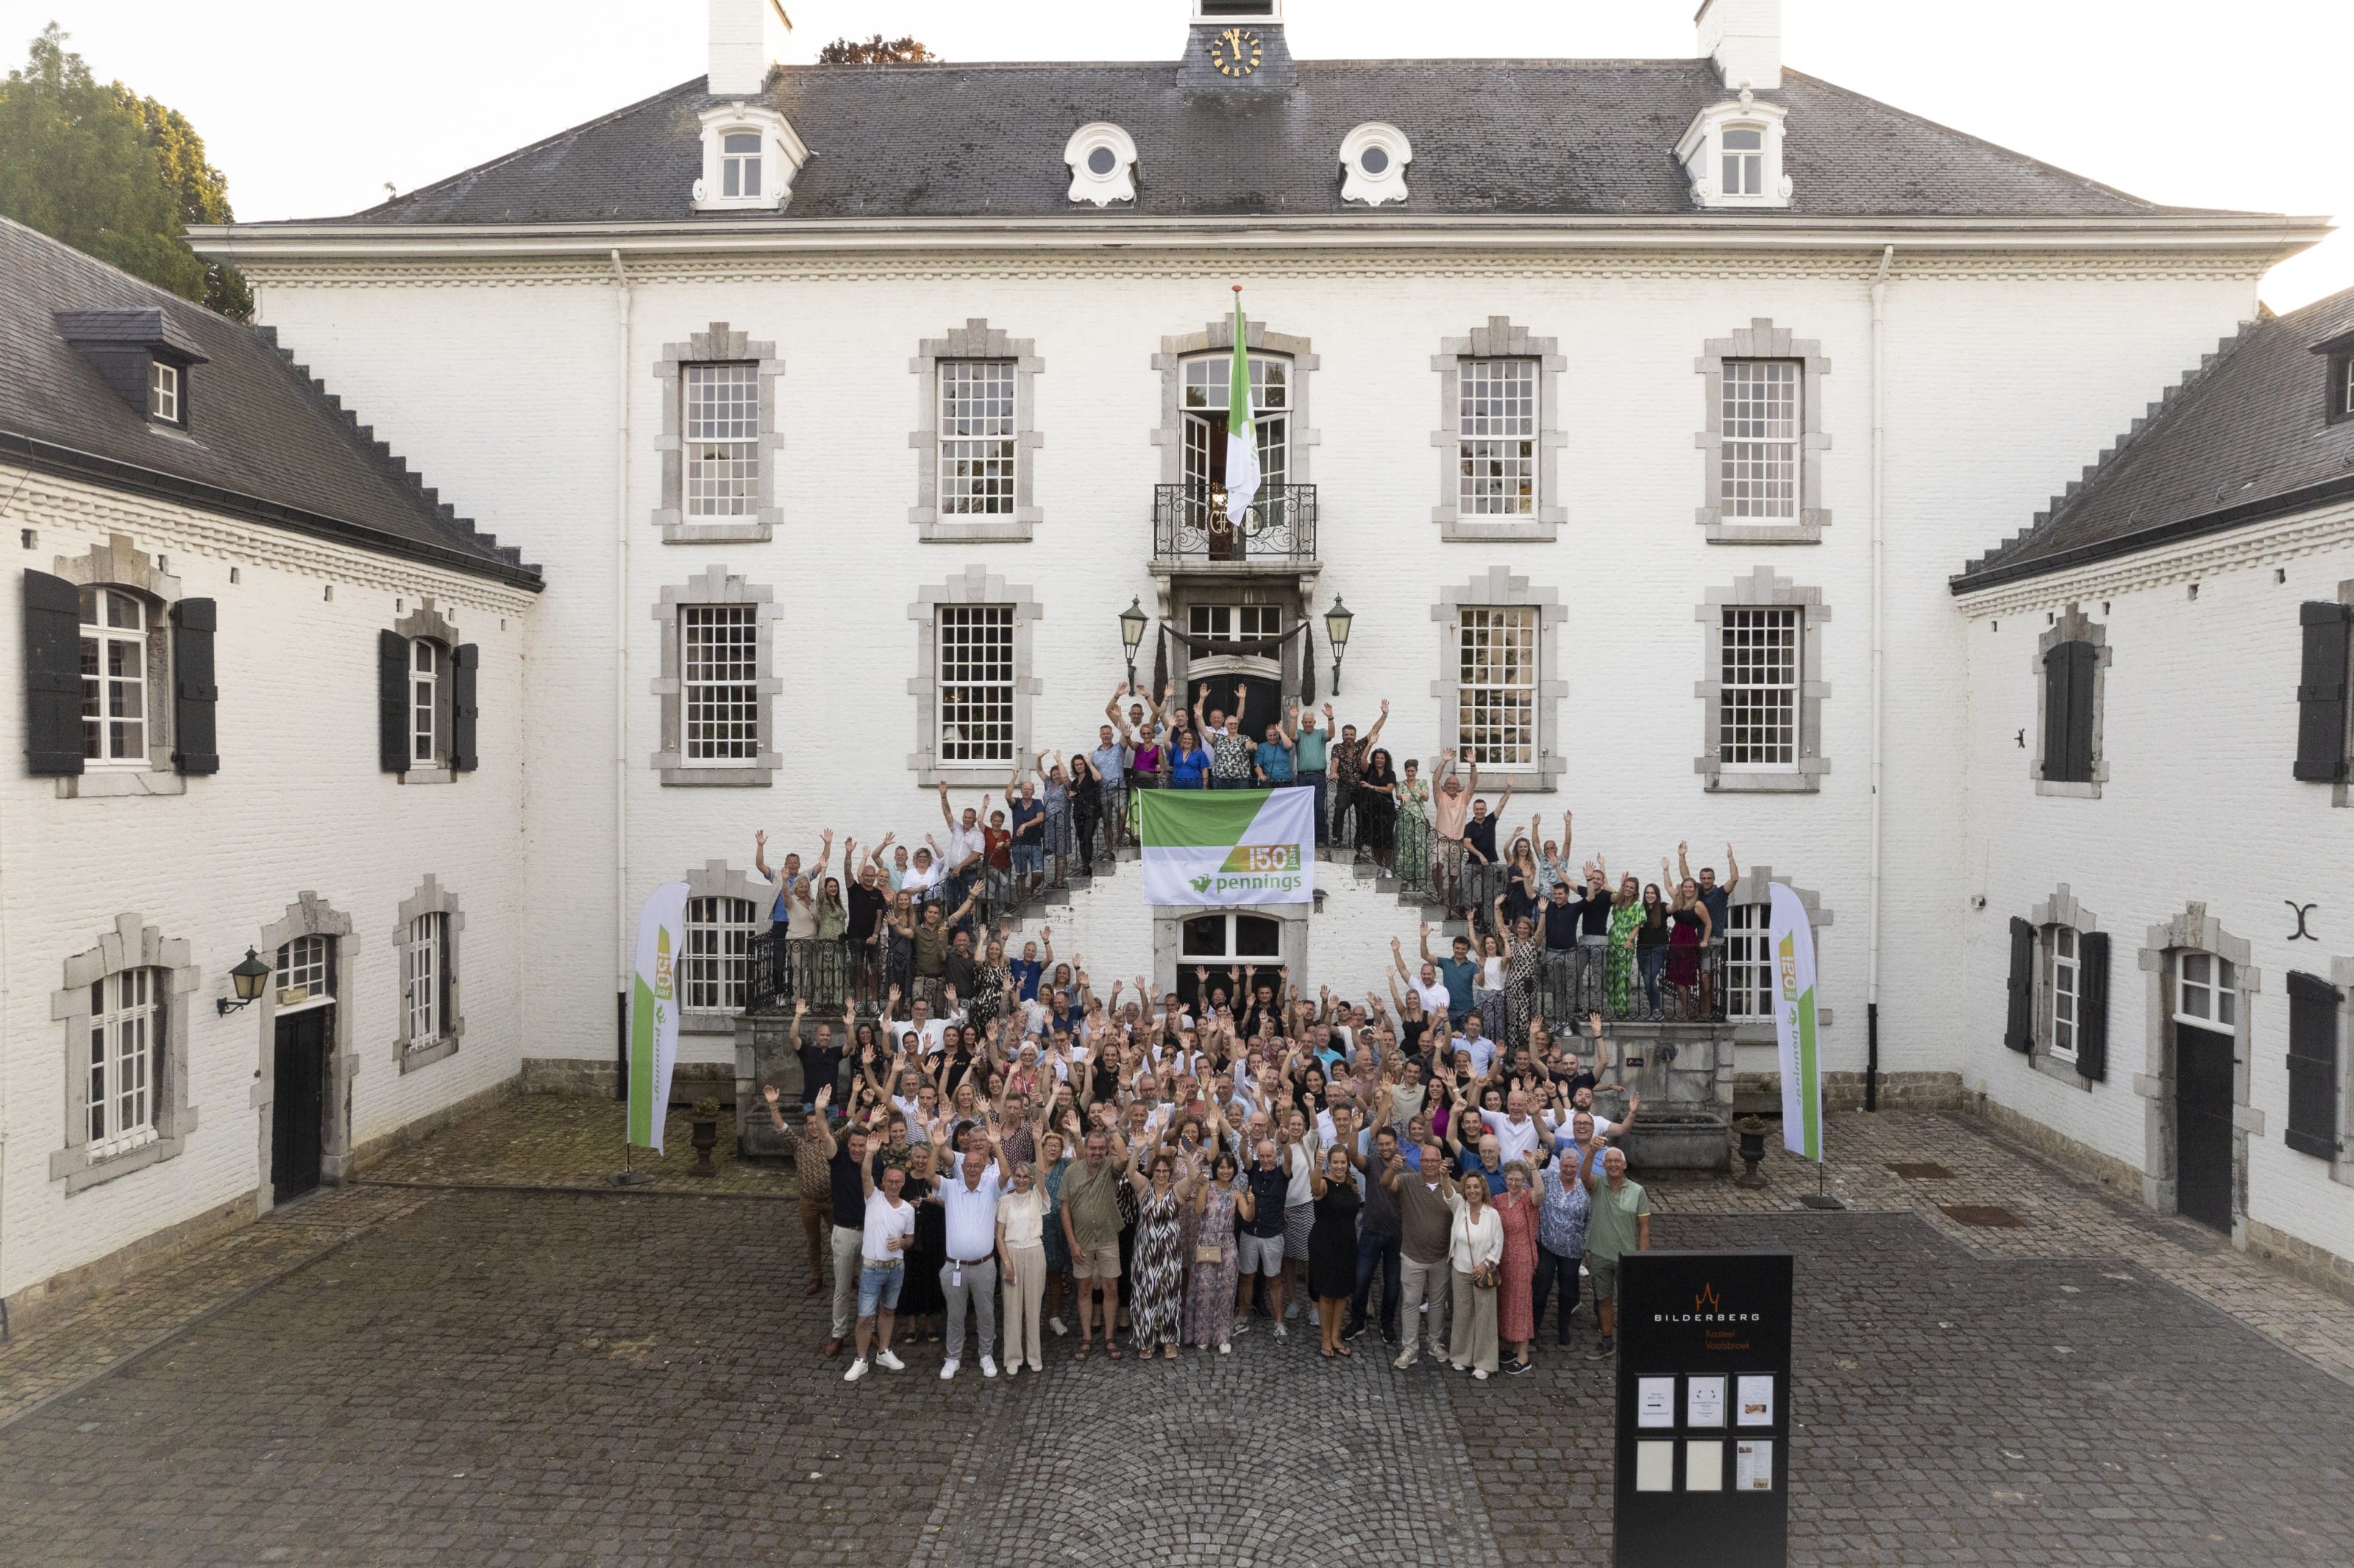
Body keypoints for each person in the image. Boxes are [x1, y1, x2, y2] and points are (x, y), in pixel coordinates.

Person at [929, 1115, 1006, 1380]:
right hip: (954, 1266)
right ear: (961, 1168)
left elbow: (1006, 1175)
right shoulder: (950, 1188)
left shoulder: (991, 1189)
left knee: (986, 1314)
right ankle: (953, 1357)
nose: (972, 1169)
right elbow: (929, 1175)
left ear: (983, 1168)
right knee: (955, 1315)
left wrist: (996, 1145)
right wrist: (937, 1146)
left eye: (977, 1165)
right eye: (968, 1166)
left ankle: (986, 1355)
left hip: (984, 1265)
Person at [844, 1138, 914, 1383]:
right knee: (865, 1316)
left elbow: (910, 1239)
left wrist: (902, 1243)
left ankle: (884, 1351)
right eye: (890, 1181)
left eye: (898, 1182)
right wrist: (870, 1153)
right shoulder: (873, 1198)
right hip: (872, 1268)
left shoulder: (908, 1209)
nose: (894, 1185)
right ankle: (861, 1359)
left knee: (888, 1311)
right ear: (883, 1181)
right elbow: (865, 1174)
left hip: (896, 1268)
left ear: (903, 1183)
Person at [1059, 1122, 1130, 1361]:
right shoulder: (1072, 1172)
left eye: (1101, 1148)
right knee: (1084, 1289)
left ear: (1106, 1149)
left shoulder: (1111, 1167)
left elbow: (1124, 1157)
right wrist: (1072, 1242)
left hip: (1108, 1238)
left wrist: (1112, 1128)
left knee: (1111, 1288)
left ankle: (1109, 1337)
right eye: (1093, 1148)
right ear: (1086, 1148)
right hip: (1082, 1240)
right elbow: (1064, 1208)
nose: (1097, 1152)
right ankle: (1087, 1337)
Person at [1581, 1136, 1652, 1359]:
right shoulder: (1597, 1186)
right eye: (1609, 1161)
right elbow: (1584, 1176)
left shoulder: (1638, 1191)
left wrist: (1641, 1257)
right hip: (1600, 1253)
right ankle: (1607, 1341)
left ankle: (1633, 1341)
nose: (1612, 1164)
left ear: (1624, 1165)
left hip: (1627, 1256)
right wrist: (1591, 1152)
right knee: (1603, 1299)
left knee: (1630, 1301)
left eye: (1616, 1161)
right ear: (1603, 1165)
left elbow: (1644, 1227)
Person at [1390, 1139, 1456, 1369]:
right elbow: (1386, 1183)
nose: (1429, 1164)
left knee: (1437, 1303)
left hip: (1441, 1256)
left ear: (1441, 1162)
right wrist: (1392, 1169)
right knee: (1410, 1303)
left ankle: (1435, 1343)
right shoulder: (1408, 1181)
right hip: (1412, 1255)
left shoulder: (1451, 1185)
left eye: (1433, 1161)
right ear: (1419, 1162)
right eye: (1425, 1160)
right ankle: (1410, 1348)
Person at [1124, 1142, 1192, 1359]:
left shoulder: (1177, 1190)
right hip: (1146, 1254)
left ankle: (1169, 1339)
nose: (1161, 1174)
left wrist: (1186, 1155)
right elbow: (1130, 1172)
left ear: (1171, 1172)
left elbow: (1193, 1177)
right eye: (1158, 1171)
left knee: (1169, 1294)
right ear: (1153, 1172)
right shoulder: (1145, 1187)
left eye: (1165, 1171)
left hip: (1170, 1253)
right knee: (1146, 1295)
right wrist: (1137, 1149)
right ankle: (1146, 1339)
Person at [1532, 1117, 1592, 1351]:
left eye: (1572, 1167)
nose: (1568, 1170)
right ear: (1560, 1165)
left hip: (1572, 1249)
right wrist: (1534, 1165)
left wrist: (1586, 1247)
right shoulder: (1547, 1178)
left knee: (1568, 1292)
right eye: (1565, 1166)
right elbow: (1528, 1185)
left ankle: (1563, 1328)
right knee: (1541, 1290)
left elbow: (1589, 1219)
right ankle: (1534, 1327)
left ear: (1577, 1167)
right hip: (1547, 1245)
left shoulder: (1584, 1189)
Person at [1345, 1125, 1405, 1344]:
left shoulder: (1407, 1169)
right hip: (1371, 1229)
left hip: (1397, 1235)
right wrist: (1354, 1129)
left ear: (1396, 1144)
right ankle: (1357, 1321)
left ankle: (1387, 1324)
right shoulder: (1371, 1163)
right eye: (1381, 1144)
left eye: (1388, 1144)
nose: (1385, 1148)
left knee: (1392, 1283)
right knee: (1361, 1279)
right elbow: (1353, 1155)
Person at [1445, 1170, 1504, 1380]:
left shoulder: (1492, 1214)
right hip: (1460, 1269)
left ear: (1483, 1189)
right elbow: (1449, 1194)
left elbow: (1498, 1243)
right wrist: (1444, 1177)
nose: (1472, 1191)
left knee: (1485, 1316)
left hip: (1483, 1272)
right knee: (1462, 1315)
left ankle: (1484, 1362)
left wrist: (1486, 1264)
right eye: (1468, 1187)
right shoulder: (1460, 1207)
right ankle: (1461, 1356)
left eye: (1476, 1187)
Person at [822, 1114, 872, 1358]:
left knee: (869, 1287)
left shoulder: (876, 1163)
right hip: (844, 1232)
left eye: (861, 1146)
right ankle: (838, 1333)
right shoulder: (838, 1159)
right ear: (848, 1145)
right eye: (853, 1145)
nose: (857, 1149)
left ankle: (869, 1329)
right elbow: (825, 1135)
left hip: (869, 1233)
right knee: (842, 1287)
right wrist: (819, 1111)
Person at [1306, 1145, 1362, 1358]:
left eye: (1343, 1162)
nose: (1339, 1166)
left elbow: (1353, 1216)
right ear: (1330, 1163)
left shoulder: (1351, 1183)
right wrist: (1318, 1165)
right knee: (1328, 1292)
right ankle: (1325, 1338)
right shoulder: (1323, 1183)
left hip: (1347, 1244)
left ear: (1347, 1164)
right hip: (1325, 1244)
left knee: (1342, 1294)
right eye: (1336, 1162)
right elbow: (1315, 1187)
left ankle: (1336, 1336)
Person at [1233, 1136, 1290, 1339]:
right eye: (1262, 1156)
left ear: (1275, 1156)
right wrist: (1244, 1138)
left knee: (1274, 1280)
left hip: (1272, 1235)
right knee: (1246, 1277)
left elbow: (1289, 1159)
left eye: (1269, 1156)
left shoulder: (1283, 1173)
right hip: (1250, 1233)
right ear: (1258, 1156)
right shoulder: (1253, 1168)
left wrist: (1285, 1142)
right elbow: (1243, 1155)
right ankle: (1242, 1318)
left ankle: (1279, 1323)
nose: (1266, 1160)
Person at [998, 1158, 1049, 1375]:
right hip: (1012, 1253)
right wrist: (1007, 1263)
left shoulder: (1037, 1196)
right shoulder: (1005, 1201)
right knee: (1012, 1308)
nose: (1021, 1180)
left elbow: (1042, 1172)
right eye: (1017, 1176)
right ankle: (1013, 1357)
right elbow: (999, 1236)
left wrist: (1037, 1142)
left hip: (1035, 1251)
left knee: (1034, 1307)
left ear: (1031, 1179)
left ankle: (1034, 1356)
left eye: (1025, 1177)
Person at [1187, 1147, 1241, 1353]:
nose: (1225, 1171)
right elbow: (1198, 1209)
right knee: (1205, 1289)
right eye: (1221, 1167)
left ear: (1234, 1170)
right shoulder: (1206, 1186)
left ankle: (1223, 1336)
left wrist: (1253, 1202)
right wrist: (1202, 1189)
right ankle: (1202, 1334)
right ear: (1215, 1169)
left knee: (1226, 1291)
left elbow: (1248, 1215)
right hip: (1207, 1241)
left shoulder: (1236, 1192)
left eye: (1229, 1167)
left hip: (1227, 1244)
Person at [1495, 1159, 1540, 1375]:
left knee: (1521, 1304)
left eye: (1518, 1180)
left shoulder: (1529, 1198)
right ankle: (1511, 1345)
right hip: (1503, 1257)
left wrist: (1533, 1167)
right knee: (1505, 1303)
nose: (1514, 1183)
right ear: (1505, 1179)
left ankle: (1523, 1355)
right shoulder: (1499, 1200)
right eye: (1510, 1179)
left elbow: (1541, 1193)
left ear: (1524, 1181)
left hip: (1523, 1258)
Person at [1665, 873, 1715, 1021]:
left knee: (1683, 980)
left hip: (1688, 943)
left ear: (1695, 889)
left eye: (1690, 887)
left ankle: (1687, 1011)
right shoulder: (1679, 900)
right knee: (1677, 979)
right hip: (1676, 942)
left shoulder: (1698, 905)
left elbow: (1708, 924)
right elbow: (1668, 886)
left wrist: (1705, 940)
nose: (1687, 889)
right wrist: (1666, 870)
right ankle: (1687, 1010)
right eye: (1685, 887)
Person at [1293, 702, 1331, 847]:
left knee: (1319, 807)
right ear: (1302, 723)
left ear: (1314, 722)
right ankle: (1304, 838)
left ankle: (1320, 839)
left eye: (1310, 722)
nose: (1308, 724)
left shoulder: (1321, 733)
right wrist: (1293, 718)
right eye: (1306, 722)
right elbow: (1291, 736)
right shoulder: (1299, 733)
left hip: (1319, 777)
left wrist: (1330, 718)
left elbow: (1331, 734)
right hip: (1303, 777)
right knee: (1303, 809)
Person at [1635, 881, 1671, 1019]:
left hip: (1658, 949)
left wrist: (1677, 894)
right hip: (1642, 950)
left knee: (1649, 978)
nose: (1650, 895)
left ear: (1657, 895)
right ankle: (1653, 1010)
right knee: (1647, 980)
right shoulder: (1640, 908)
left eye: (1653, 893)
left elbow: (1674, 908)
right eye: (1647, 893)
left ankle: (1656, 1009)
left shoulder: (1662, 907)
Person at [1395, 758, 1432, 891]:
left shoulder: (1422, 783)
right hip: (1404, 820)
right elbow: (1398, 795)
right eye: (1408, 771)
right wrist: (1401, 796)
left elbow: (1427, 798)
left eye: (1412, 771)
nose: (1410, 773)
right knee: (1405, 848)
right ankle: (1406, 879)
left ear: (1416, 771)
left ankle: (1419, 880)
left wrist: (1424, 793)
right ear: (1405, 771)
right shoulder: (1401, 784)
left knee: (1419, 848)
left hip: (1418, 820)